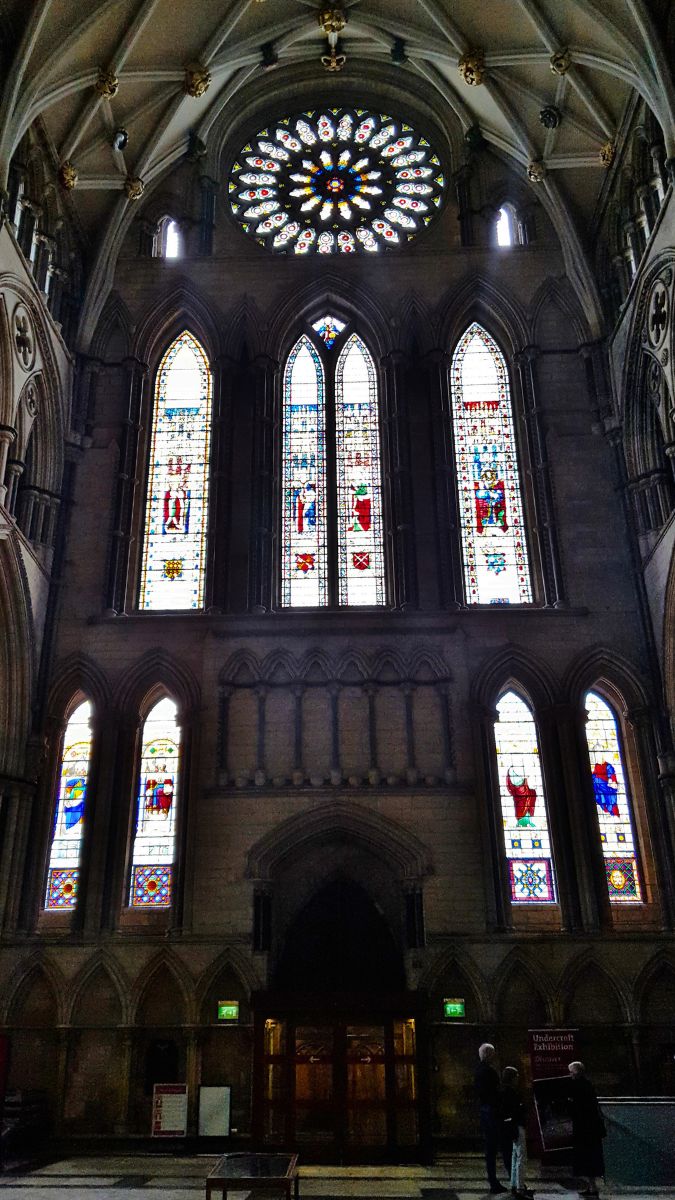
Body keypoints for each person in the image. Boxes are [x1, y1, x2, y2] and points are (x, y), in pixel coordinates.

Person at [567, 1061, 606, 1196]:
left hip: (584, 1128)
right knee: (591, 1157)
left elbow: (576, 1108)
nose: (570, 1074)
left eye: (571, 1072)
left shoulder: (577, 1087)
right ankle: (592, 1186)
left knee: (586, 1157)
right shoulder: (588, 1085)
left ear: (576, 1072)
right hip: (591, 1128)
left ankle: (592, 1186)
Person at [475, 1043, 508, 1194]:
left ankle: (493, 1181)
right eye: (493, 1054)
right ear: (488, 1054)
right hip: (493, 1112)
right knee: (499, 1147)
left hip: (485, 1110)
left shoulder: (478, 1070)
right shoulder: (489, 1072)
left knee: (490, 1149)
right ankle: (506, 1181)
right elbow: (495, 1092)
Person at [501, 1066, 533, 1199]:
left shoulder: (503, 1091)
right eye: (516, 1076)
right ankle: (520, 1186)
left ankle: (514, 1184)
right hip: (517, 1125)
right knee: (521, 1156)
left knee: (514, 1156)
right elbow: (517, 1109)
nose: (518, 1078)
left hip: (510, 1126)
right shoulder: (512, 1092)